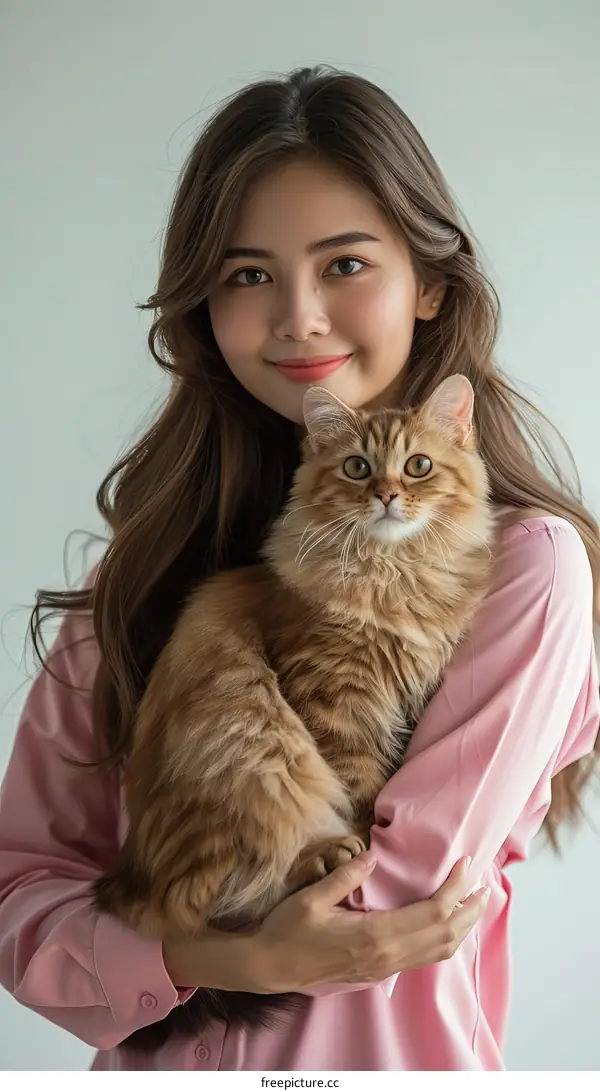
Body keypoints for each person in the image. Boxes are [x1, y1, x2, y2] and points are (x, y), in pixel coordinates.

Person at [0, 65, 598, 1073]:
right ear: (203, 303)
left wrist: (174, 956)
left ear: (431, 283)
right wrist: (210, 957)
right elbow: (21, 899)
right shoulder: (136, 577)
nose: (299, 317)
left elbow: (389, 906)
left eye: (345, 263)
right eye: (247, 275)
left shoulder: (527, 569)